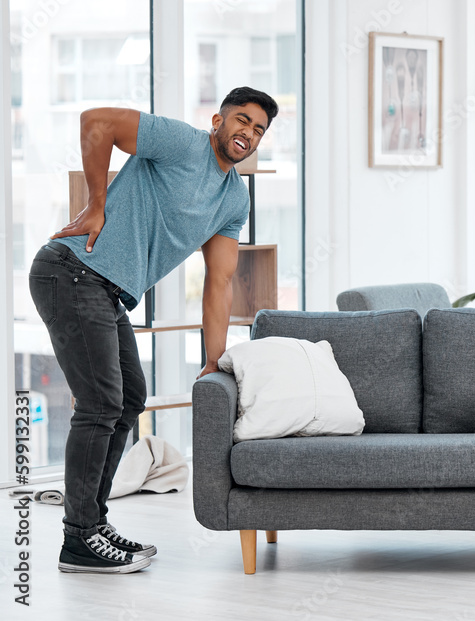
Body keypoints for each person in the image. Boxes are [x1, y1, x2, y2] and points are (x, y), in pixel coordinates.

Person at [28, 86, 278, 574]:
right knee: (101, 403)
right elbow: (96, 121)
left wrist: (213, 358)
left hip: (106, 289)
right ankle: (78, 537)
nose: (247, 133)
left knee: (128, 400)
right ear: (218, 121)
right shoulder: (183, 144)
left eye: (258, 129)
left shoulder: (233, 200)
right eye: (241, 120)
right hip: (72, 271)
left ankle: (92, 526)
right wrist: (96, 204)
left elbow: (220, 284)